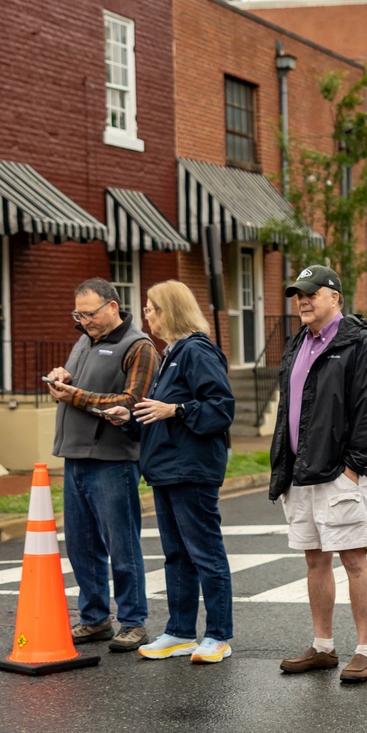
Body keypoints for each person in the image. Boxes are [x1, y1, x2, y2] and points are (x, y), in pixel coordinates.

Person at [269, 265, 367, 684]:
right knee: (314, 560)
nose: (303, 301)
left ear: (335, 298)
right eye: (298, 295)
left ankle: (366, 650)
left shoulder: (360, 343)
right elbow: (290, 409)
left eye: (312, 293)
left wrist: (354, 469)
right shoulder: (297, 342)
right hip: (302, 473)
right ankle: (323, 647)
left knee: (354, 558)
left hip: (341, 475)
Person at [105, 281, 235, 665]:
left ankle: (218, 635)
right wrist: (129, 418)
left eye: (152, 307)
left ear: (171, 311)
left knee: (205, 554)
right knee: (176, 555)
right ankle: (179, 632)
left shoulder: (196, 351)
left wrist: (175, 410)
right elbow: (160, 415)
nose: (146, 314)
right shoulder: (172, 355)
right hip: (166, 469)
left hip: (191, 470)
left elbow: (221, 408)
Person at [47, 278, 158, 652]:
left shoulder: (138, 346)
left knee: (121, 545)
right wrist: (63, 376)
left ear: (113, 307)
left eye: (89, 313)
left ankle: (133, 621)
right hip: (75, 456)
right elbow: (77, 383)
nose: (83, 321)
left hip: (113, 461)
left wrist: (74, 395)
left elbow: (132, 401)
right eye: (77, 314)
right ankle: (94, 619)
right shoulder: (84, 340)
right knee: (81, 546)